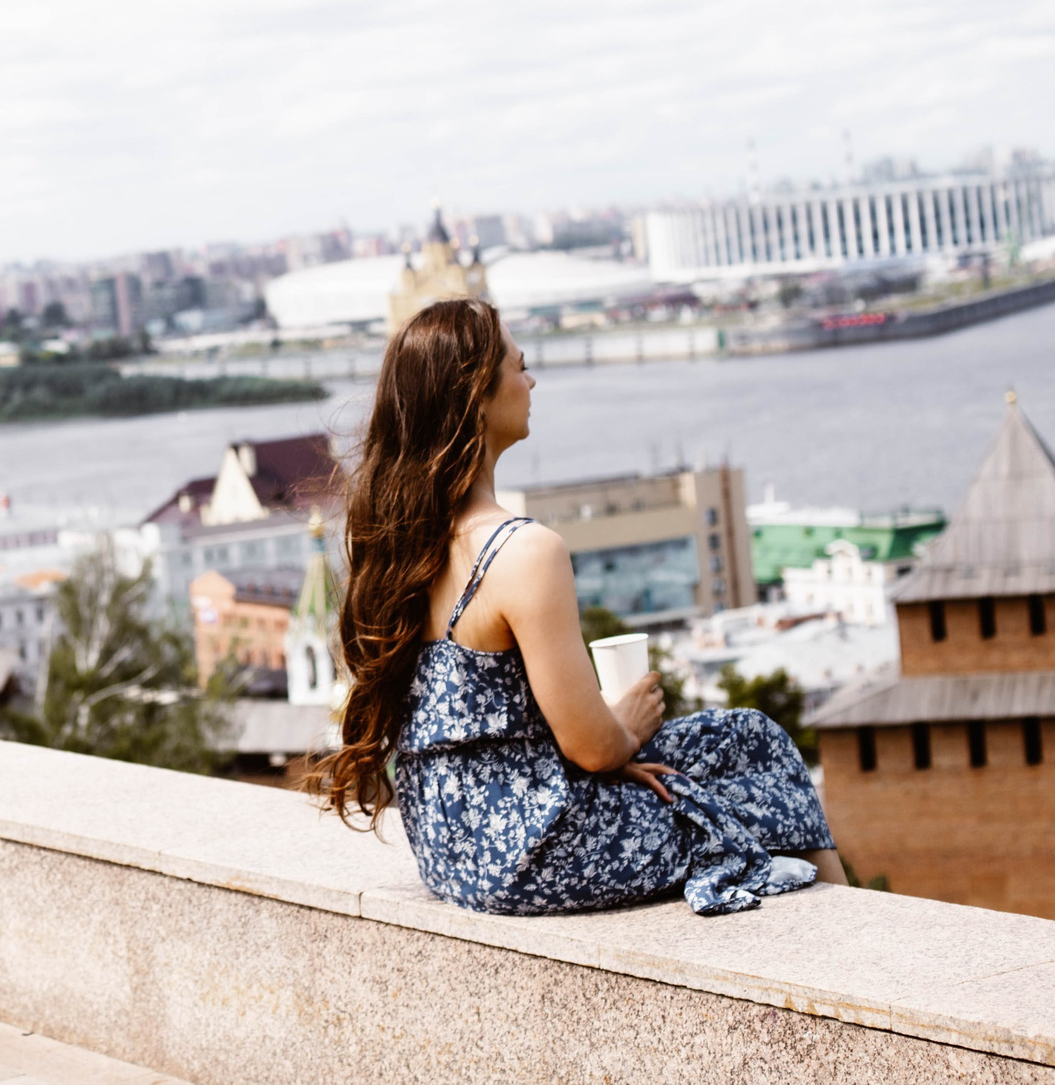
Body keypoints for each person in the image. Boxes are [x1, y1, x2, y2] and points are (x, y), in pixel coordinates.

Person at [306, 296, 841, 916]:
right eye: (520, 366)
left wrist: (612, 745)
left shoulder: (400, 542)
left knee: (732, 743)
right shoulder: (524, 550)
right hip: (540, 849)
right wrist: (628, 726)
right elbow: (593, 748)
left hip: (450, 846)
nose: (531, 381)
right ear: (476, 392)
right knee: (758, 749)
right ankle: (851, 933)